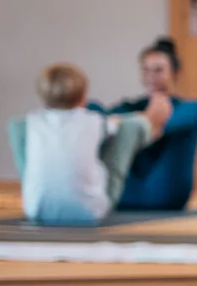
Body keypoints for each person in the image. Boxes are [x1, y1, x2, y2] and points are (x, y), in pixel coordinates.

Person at [9, 63, 169, 225]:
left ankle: (39, 190)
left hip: (36, 210)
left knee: (18, 129)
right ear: (83, 96)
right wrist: (142, 121)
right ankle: (153, 129)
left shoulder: (32, 122)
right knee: (131, 126)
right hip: (90, 211)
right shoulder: (94, 121)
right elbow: (118, 126)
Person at [99, 38, 197, 211]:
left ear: (174, 73)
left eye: (159, 71)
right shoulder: (129, 107)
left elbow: (163, 125)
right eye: (146, 70)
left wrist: (139, 123)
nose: (151, 77)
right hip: (127, 192)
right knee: (95, 111)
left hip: (166, 194)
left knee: (130, 126)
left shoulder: (189, 108)